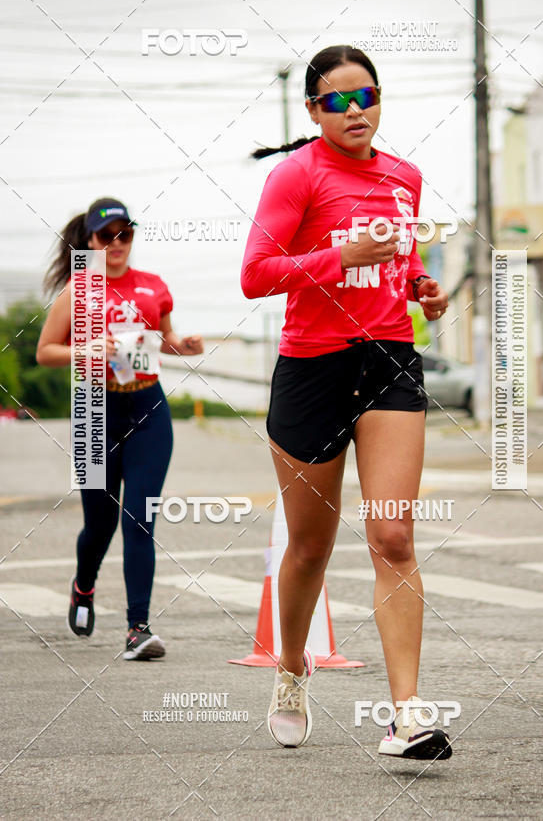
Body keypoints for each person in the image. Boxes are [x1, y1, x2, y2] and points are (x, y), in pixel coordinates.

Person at [241, 46, 452, 758]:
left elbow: (406, 259)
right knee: (309, 546)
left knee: (393, 536)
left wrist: (424, 287)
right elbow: (255, 274)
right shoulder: (295, 176)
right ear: (313, 111)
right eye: (336, 101)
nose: (355, 110)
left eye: (367, 96)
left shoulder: (405, 177)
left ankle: (408, 716)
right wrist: (339, 259)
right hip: (312, 371)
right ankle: (293, 667)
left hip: (389, 359)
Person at [36, 197, 204, 660]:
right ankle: (83, 586)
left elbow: (161, 340)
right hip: (94, 411)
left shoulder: (153, 286)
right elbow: (46, 351)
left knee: (140, 518)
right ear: (89, 240)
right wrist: (86, 349)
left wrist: (181, 346)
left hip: (148, 409)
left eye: (124, 234)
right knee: (100, 521)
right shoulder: (79, 290)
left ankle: (138, 628)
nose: (116, 243)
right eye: (105, 235)